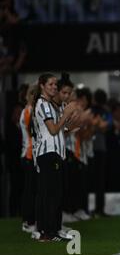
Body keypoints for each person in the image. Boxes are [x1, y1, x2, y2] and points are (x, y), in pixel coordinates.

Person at [32, 73, 76, 241]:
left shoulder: (50, 105)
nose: (54, 87)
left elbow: (59, 130)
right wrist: (66, 114)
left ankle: (54, 229)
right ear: (42, 85)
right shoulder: (43, 104)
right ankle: (46, 232)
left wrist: (71, 122)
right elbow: (52, 130)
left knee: (55, 194)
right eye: (50, 84)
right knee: (50, 194)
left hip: (55, 153)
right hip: (47, 153)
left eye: (55, 84)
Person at [19, 84, 38, 233]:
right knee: (30, 190)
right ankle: (28, 221)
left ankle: (31, 219)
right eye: (33, 94)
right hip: (29, 154)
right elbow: (33, 133)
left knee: (32, 190)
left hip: (31, 154)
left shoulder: (29, 110)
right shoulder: (28, 111)